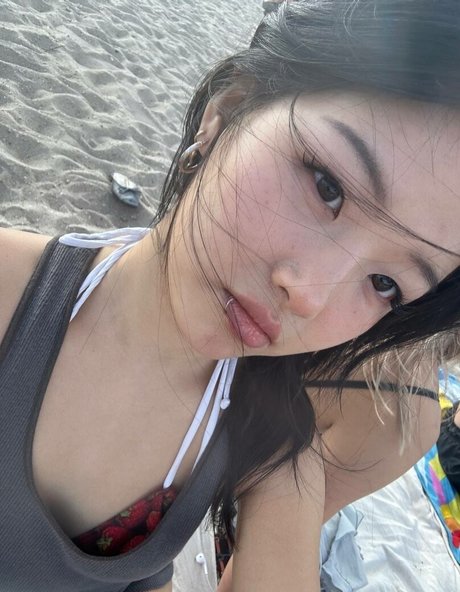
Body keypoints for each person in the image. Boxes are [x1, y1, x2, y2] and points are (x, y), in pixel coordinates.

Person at [2, 1, 460, 591]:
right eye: (327, 186)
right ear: (229, 109)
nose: (309, 296)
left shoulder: (269, 441)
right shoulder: (12, 297)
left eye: (385, 284)